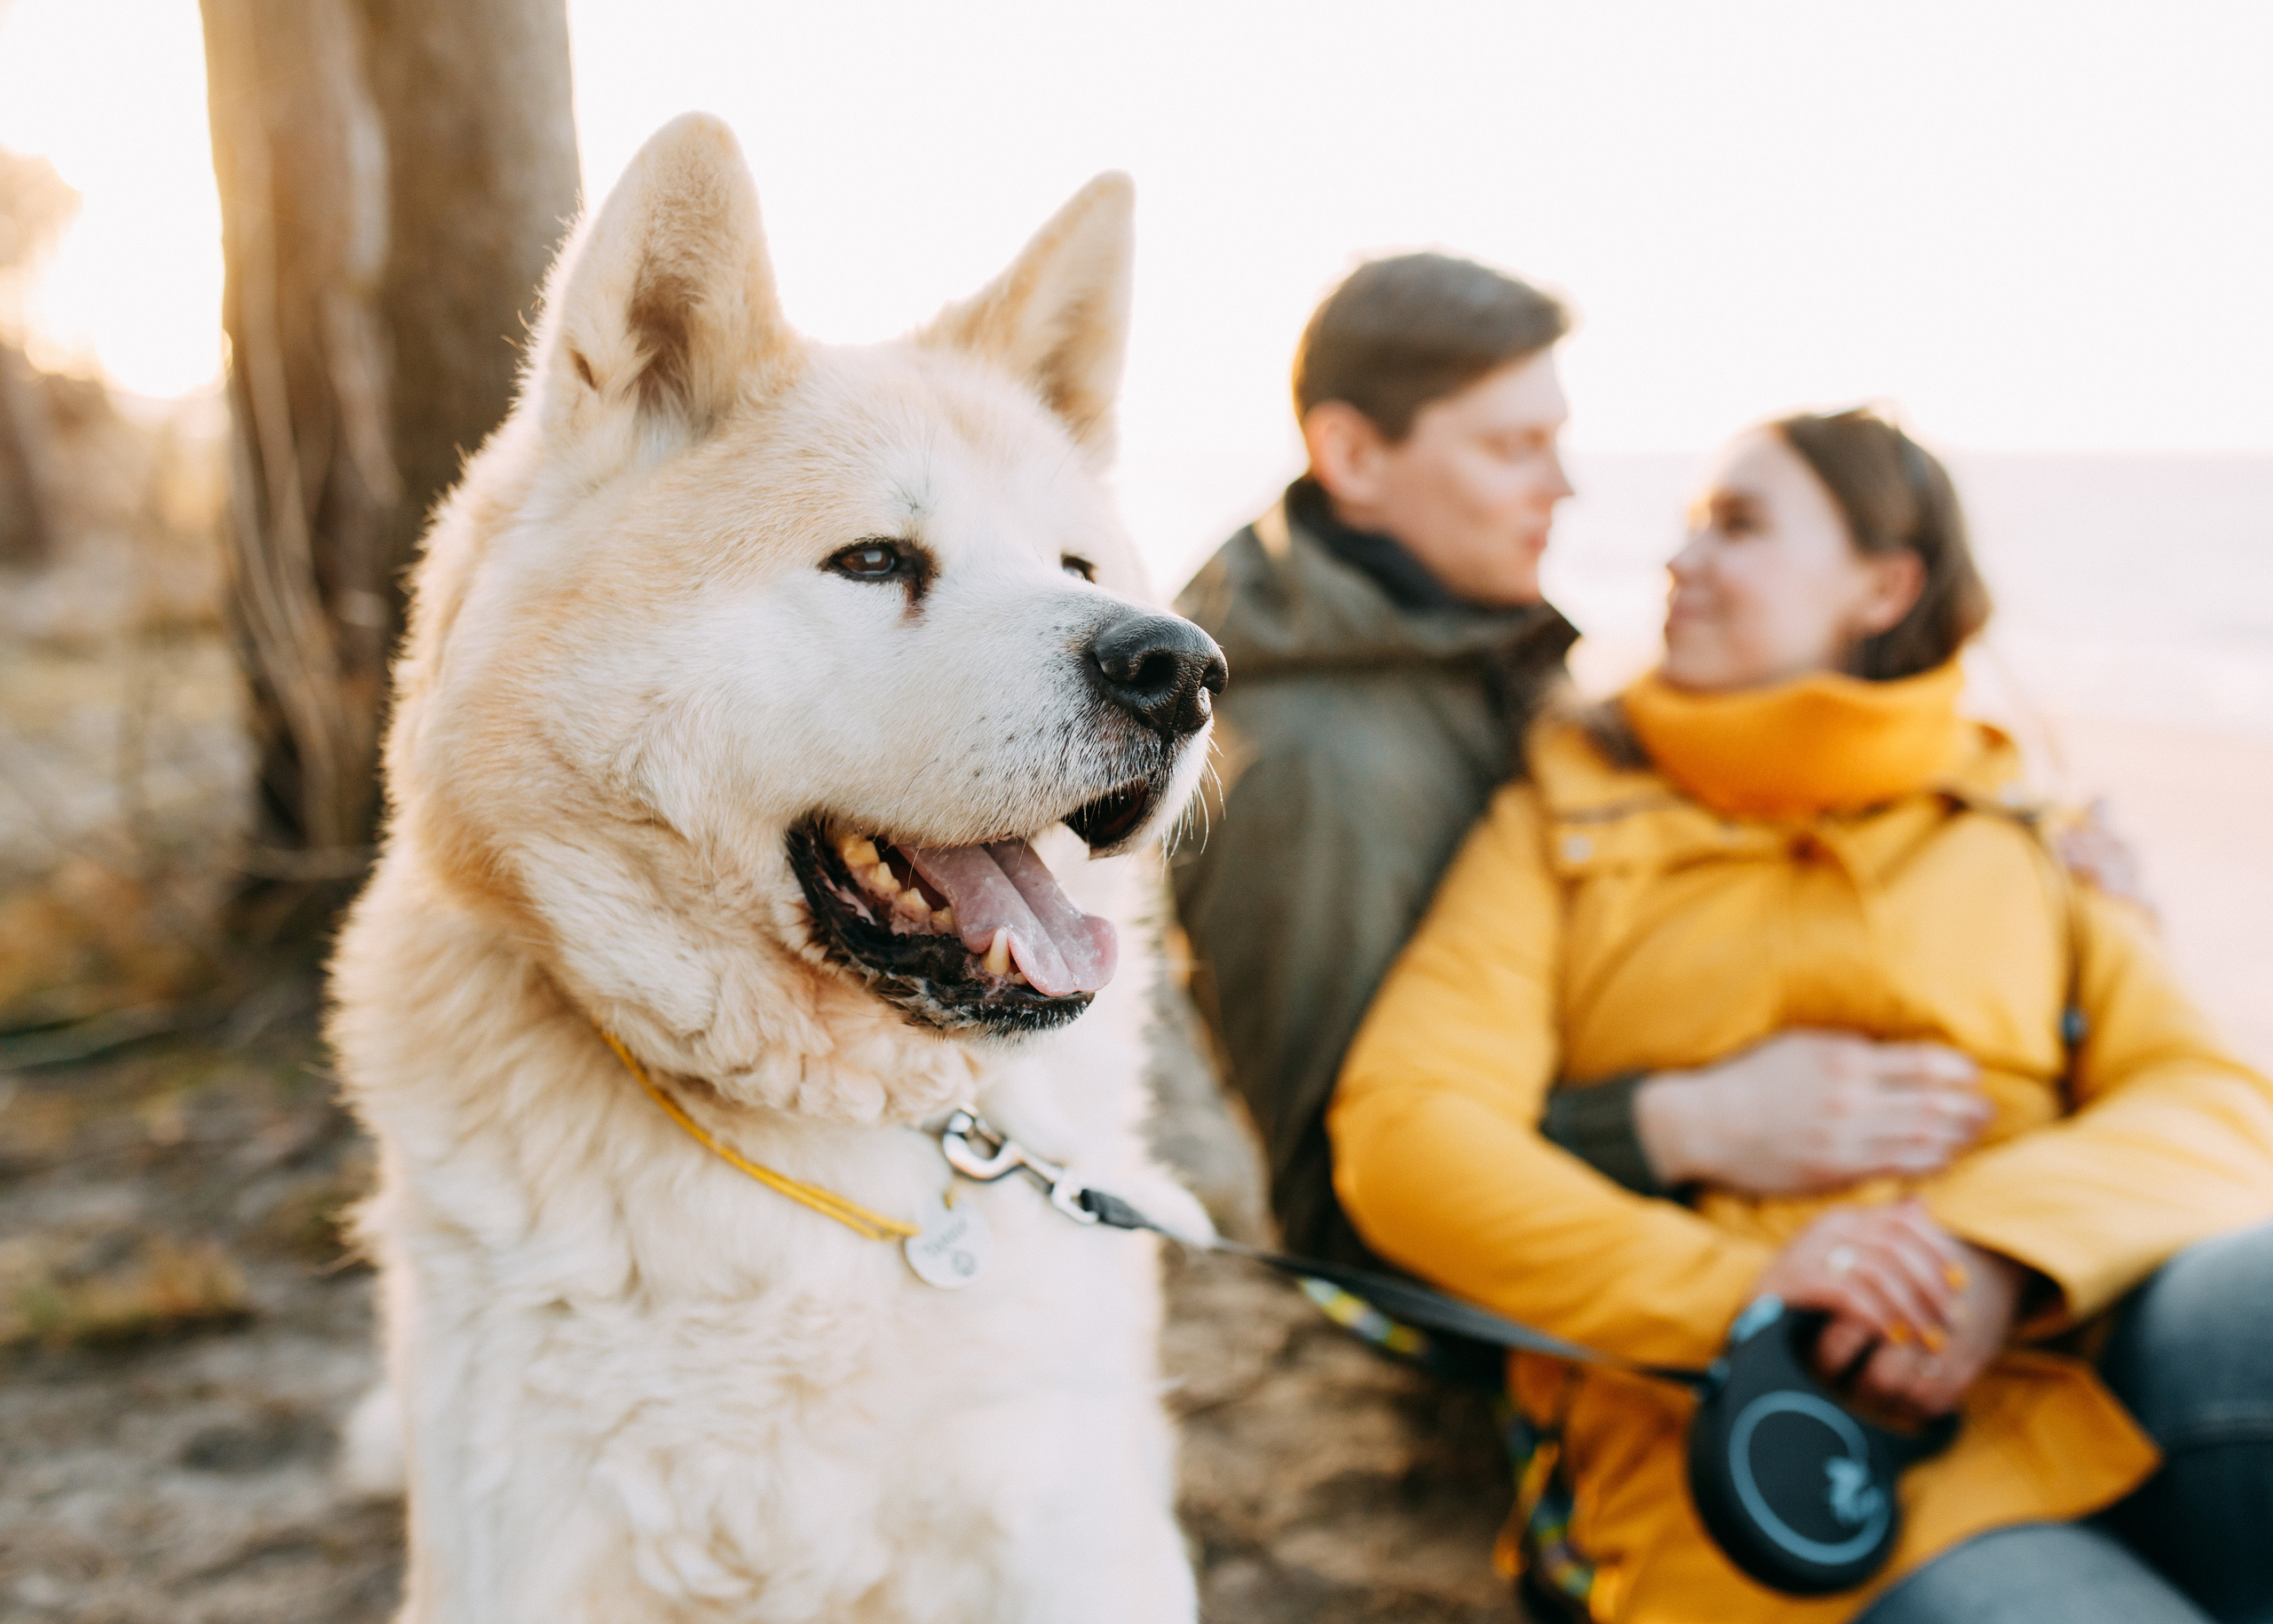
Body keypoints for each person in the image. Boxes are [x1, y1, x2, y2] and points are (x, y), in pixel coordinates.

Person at [1329, 408, 2273, 1624]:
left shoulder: (2013, 823)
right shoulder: (1560, 823)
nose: (1681, 562)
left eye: (1739, 525)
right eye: (1685, 529)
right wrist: (1750, 1282)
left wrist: (1986, 1259)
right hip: (1787, 1443)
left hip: (2077, 1349)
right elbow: (1407, 1133)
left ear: (1882, 586)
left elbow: (2213, 1104)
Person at [1170, 258, 2129, 1270]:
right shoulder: (1319, 770)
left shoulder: (1467, 655)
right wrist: (1687, 1123)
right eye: (1513, 447)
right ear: (1353, 457)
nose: (1564, 483)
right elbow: (1342, 1213)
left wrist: (2060, 878)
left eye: (1557, 438)